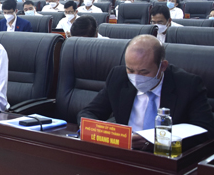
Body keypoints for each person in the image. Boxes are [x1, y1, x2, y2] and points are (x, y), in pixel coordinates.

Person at [78, 35, 214, 138]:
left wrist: (156, 140)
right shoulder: (118, 77)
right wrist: (104, 132)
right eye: (130, 70)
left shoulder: (188, 85)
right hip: (125, 152)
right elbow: (89, 112)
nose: (136, 77)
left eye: (144, 72)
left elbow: (205, 129)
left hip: (166, 156)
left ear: (163, 66)